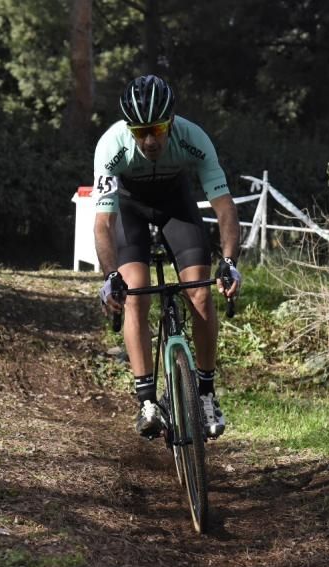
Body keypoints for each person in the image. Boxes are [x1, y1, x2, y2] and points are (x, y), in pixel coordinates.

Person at [93, 74, 242, 440]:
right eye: (140, 130)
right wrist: (110, 275)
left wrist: (229, 261)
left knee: (201, 293)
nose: (148, 140)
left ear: (171, 122)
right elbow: (103, 223)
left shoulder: (194, 139)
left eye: (157, 129)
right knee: (135, 293)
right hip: (131, 209)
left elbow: (224, 208)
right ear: (129, 128)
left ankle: (205, 394)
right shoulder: (111, 146)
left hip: (176, 204)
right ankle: (146, 400)